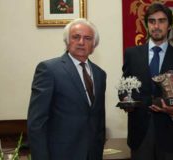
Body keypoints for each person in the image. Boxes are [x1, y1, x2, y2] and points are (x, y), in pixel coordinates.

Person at [119, 3, 173, 160]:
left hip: (169, 136)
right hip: (139, 135)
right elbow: (124, 86)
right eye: (152, 21)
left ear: (170, 25)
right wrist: (125, 99)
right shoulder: (132, 54)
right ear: (146, 25)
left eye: (162, 21)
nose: (156, 26)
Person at [27, 18, 106, 160]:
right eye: (76, 37)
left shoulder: (100, 74)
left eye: (87, 38)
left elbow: (99, 119)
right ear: (67, 41)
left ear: (94, 45)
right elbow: (37, 122)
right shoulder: (48, 70)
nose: (81, 42)